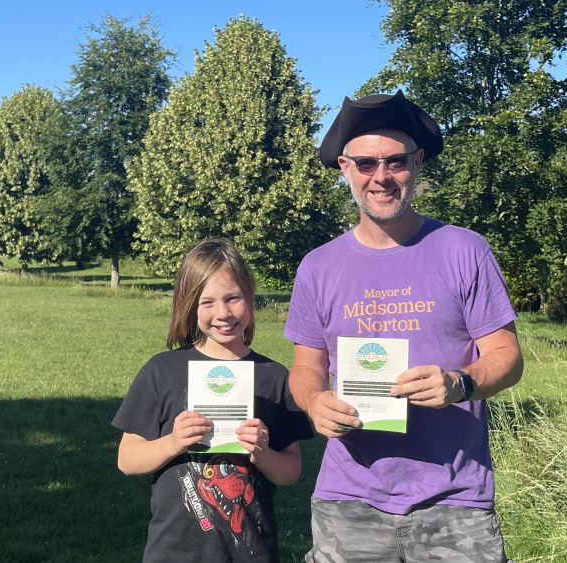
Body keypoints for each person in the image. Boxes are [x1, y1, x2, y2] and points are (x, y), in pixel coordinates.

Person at [284, 90, 524, 562]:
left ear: (416, 163)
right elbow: (305, 368)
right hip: (347, 500)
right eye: (367, 163)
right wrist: (315, 403)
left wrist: (461, 382)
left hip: (455, 501)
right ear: (345, 169)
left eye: (395, 162)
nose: (381, 177)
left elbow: (508, 357)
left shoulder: (465, 250)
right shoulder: (318, 266)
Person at [113, 238, 314, 563]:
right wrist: (174, 442)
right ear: (189, 305)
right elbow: (127, 460)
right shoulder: (161, 371)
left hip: (253, 552)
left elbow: (291, 470)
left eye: (233, 298)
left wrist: (262, 453)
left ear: (249, 292)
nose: (223, 313)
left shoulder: (274, 376)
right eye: (207, 302)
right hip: (175, 551)